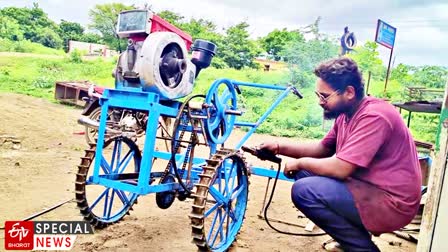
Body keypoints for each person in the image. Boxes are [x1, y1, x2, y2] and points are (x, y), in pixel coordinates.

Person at [259, 57, 421, 251]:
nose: (320, 102)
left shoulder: (374, 116)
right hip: (369, 188)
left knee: (304, 191)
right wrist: (278, 146)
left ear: (349, 92)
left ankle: (362, 248)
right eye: (318, 95)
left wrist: (300, 162)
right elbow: (322, 149)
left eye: (325, 96)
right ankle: (353, 238)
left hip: (392, 203)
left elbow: (341, 169)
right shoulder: (346, 114)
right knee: (305, 176)